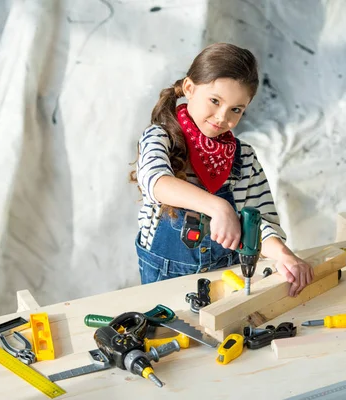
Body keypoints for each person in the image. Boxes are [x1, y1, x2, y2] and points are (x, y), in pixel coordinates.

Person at [131, 43, 313, 297]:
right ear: (189, 88)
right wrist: (219, 207)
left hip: (226, 278)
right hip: (165, 279)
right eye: (215, 101)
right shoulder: (161, 138)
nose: (221, 117)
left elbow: (259, 222)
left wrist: (284, 255)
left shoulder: (243, 157)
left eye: (236, 110)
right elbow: (156, 181)